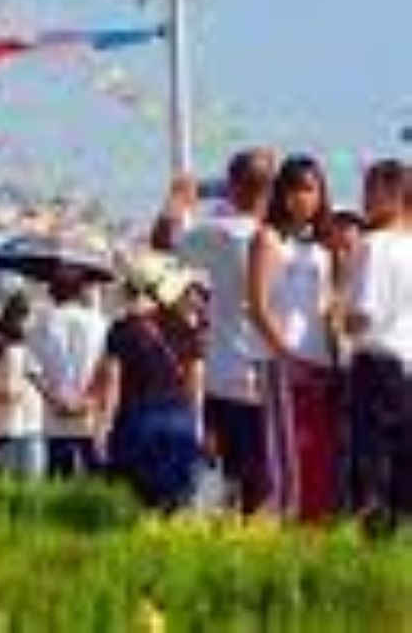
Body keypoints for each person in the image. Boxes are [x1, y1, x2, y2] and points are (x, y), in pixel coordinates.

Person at [154, 149, 276, 513]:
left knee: (229, 475)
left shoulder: (218, 232)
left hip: (224, 371)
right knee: (265, 477)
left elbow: (162, 239)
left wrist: (178, 199)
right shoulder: (282, 238)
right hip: (271, 369)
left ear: (232, 187)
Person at [249, 155, 342, 523]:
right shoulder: (268, 238)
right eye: (297, 188)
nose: (305, 197)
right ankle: (286, 536)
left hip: (320, 361)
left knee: (318, 457)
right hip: (282, 363)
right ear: (282, 194)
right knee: (287, 459)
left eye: (312, 189)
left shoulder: (321, 248)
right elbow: (257, 306)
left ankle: (314, 534)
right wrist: (285, 356)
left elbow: (329, 308)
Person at [92, 252, 206, 511]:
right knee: (176, 502)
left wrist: (103, 425)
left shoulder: (122, 329)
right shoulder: (184, 326)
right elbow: (196, 381)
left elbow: (112, 383)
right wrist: (197, 423)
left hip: (137, 419)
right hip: (180, 417)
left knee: (136, 502)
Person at [345, 159, 411, 533]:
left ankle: (375, 548)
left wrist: (335, 318)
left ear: (393, 194)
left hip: (377, 365)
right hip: (408, 366)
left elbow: (362, 317)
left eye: (370, 189)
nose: (364, 198)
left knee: (371, 466)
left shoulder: (373, 245)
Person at [31, 273, 108, 479]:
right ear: (80, 292)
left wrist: (56, 401)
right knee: (96, 482)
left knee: (58, 485)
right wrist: (88, 400)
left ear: (52, 294)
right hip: (90, 417)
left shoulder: (42, 323)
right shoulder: (99, 323)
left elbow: (33, 372)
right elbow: (107, 369)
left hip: (55, 420)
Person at [0, 295, 46, 480]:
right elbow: (13, 392)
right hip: (25, 425)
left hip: (13, 427)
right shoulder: (23, 351)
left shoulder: (12, 353)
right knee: (29, 485)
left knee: (13, 485)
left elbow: (10, 392)